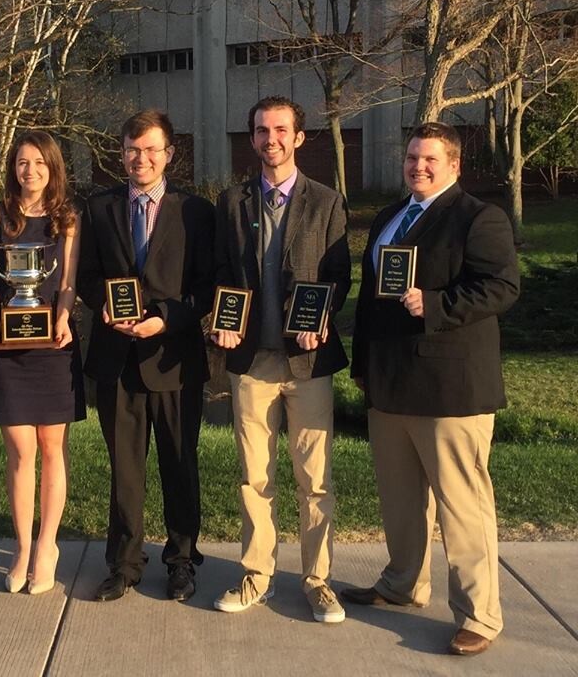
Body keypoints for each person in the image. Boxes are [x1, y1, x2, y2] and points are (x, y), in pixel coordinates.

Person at [342, 122, 520, 655]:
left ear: (454, 165)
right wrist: (362, 364)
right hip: (390, 383)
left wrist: (436, 305)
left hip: (449, 389)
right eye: (412, 158)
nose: (418, 167)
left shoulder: (478, 218)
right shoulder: (388, 218)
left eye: (429, 160)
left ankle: (480, 616)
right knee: (400, 502)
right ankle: (401, 585)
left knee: (462, 507)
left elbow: (502, 286)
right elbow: (373, 300)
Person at [210, 96, 351, 623]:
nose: (271, 139)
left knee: (314, 479)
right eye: (262, 130)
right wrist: (219, 319)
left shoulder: (327, 201)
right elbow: (223, 272)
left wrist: (323, 316)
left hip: (307, 362)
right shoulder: (232, 202)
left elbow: (339, 277)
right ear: (251, 139)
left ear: (299, 136)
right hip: (253, 361)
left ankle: (318, 581)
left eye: (281, 130)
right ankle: (257, 575)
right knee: (254, 475)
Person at [78, 109, 215, 602]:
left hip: (174, 358)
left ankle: (181, 560)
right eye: (133, 150)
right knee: (125, 470)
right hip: (116, 360)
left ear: (169, 154)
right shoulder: (98, 208)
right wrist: (105, 308)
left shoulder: (195, 212)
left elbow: (206, 287)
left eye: (152, 150)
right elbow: (88, 279)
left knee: (180, 465)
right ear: (121, 153)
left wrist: (165, 318)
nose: (142, 158)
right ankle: (124, 563)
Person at [0, 131, 86, 595]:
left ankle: (47, 546)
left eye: (40, 163)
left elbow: (68, 284)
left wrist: (62, 319)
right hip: (8, 347)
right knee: (20, 451)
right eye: (23, 162)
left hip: (53, 351)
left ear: (53, 167)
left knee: (51, 447)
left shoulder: (68, 219)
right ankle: (22, 547)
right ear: (12, 167)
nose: (31, 171)